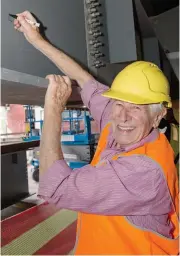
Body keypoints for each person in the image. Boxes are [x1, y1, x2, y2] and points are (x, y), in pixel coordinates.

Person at [14, 11, 179, 255]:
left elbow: (55, 187)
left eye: (137, 109)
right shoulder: (121, 122)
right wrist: (36, 39)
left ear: (157, 117)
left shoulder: (145, 171)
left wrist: (52, 110)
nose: (122, 116)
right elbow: (84, 79)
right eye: (120, 104)